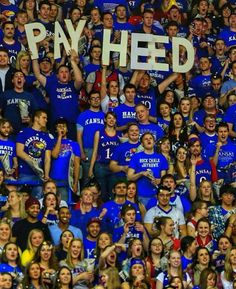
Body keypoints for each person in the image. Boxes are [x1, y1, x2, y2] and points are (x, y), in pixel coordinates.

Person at [16, 109, 53, 198]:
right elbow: (19, 151)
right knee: (21, 201)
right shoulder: (24, 132)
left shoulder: (47, 136)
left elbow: (48, 158)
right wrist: (33, 162)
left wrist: (47, 175)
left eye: (47, 118)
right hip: (25, 173)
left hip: (39, 176)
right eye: (44, 118)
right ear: (36, 118)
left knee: (37, 202)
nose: (46, 120)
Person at [127, 132, 168, 205]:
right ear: (142, 144)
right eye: (146, 139)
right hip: (140, 195)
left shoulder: (161, 158)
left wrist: (160, 180)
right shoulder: (136, 157)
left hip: (157, 195)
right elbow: (129, 177)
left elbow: (164, 178)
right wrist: (141, 173)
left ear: (154, 142)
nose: (148, 140)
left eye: (150, 138)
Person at [88, 111, 120, 201]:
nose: (111, 120)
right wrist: (91, 169)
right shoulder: (99, 133)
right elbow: (95, 152)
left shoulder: (119, 135)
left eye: (113, 118)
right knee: (102, 193)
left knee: (113, 192)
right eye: (109, 118)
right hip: (101, 166)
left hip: (113, 167)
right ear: (105, 120)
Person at [76, 90, 105, 186]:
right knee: (87, 178)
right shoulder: (83, 115)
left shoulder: (104, 115)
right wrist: (81, 151)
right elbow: (79, 135)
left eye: (98, 98)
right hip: (87, 149)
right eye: (93, 98)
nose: (96, 100)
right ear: (89, 101)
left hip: (101, 150)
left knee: (100, 178)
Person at [50, 117, 81, 199]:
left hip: (67, 180)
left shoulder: (74, 144)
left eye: (64, 126)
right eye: (59, 126)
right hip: (53, 179)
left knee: (64, 204)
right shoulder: (52, 142)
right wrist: (59, 137)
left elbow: (77, 164)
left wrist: (75, 182)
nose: (62, 128)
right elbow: (54, 155)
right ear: (56, 129)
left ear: (67, 129)